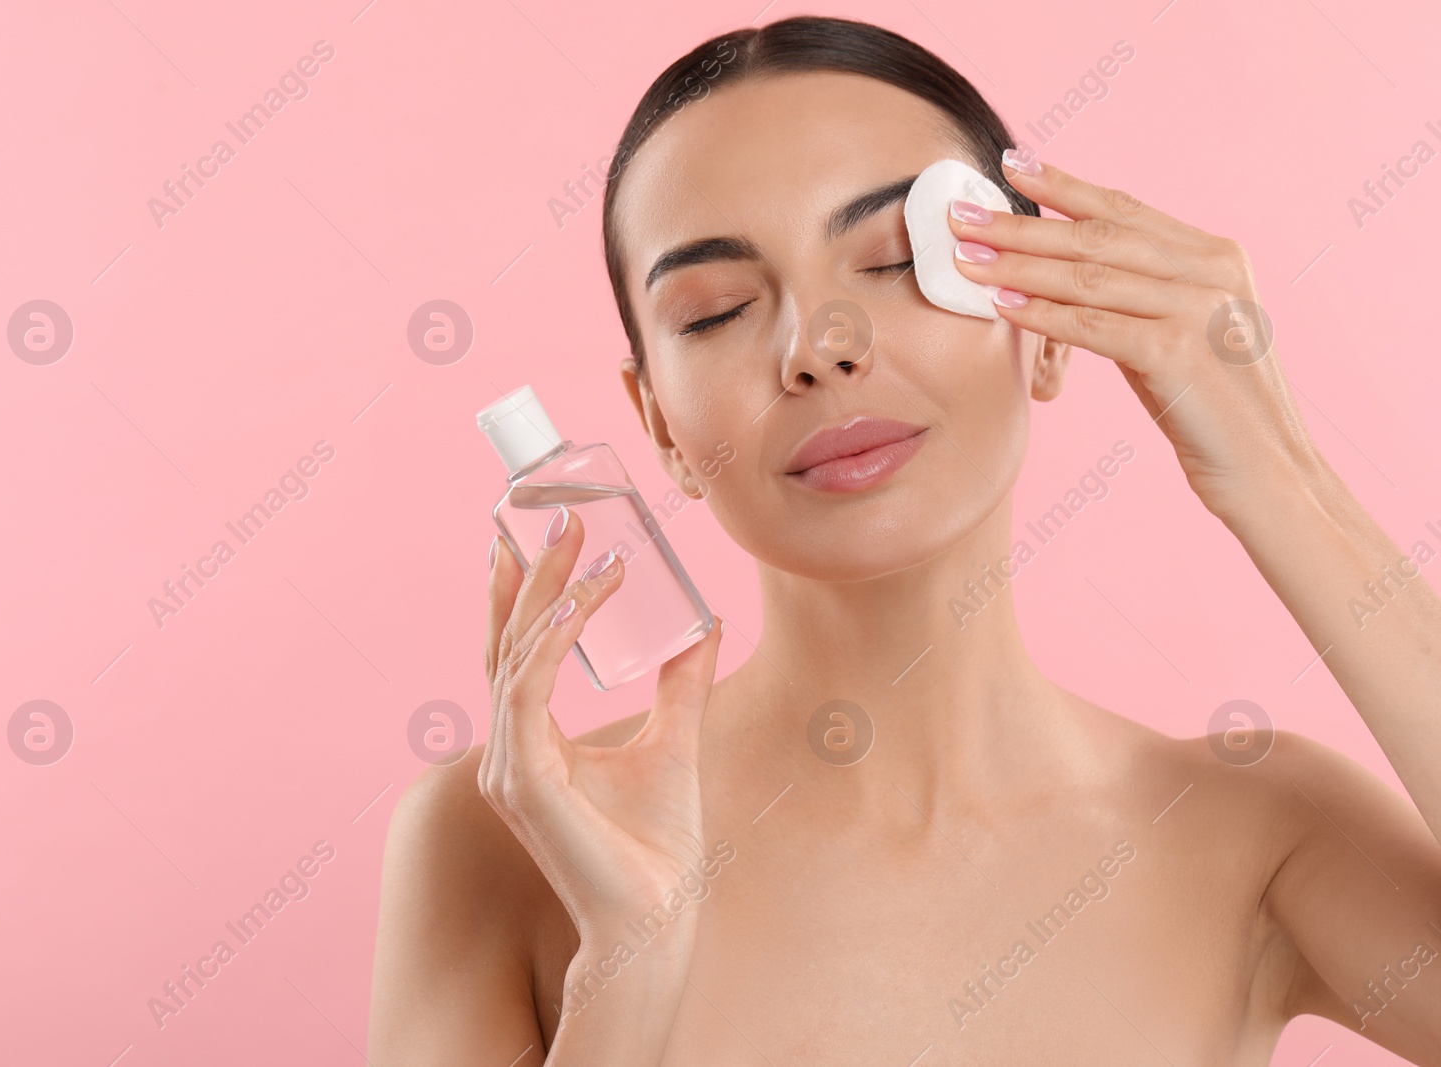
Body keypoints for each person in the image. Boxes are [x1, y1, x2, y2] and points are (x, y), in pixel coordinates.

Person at [368, 15, 1441, 1064]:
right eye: (714, 310)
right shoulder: (501, 842)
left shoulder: (1262, 832)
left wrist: (1278, 481)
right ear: (658, 425)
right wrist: (629, 973)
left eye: (889, 259)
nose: (818, 346)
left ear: (1045, 319)